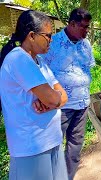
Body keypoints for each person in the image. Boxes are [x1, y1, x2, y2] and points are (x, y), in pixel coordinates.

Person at [0, 10, 68, 179]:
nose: (51, 40)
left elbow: (63, 96)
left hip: (50, 141)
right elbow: (54, 97)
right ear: (31, 36)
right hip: (31, 148)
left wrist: (51, 103)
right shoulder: (18, 59)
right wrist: (53, 100)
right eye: (48, 36)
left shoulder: (39, 61)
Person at [41, 8, 95, 180]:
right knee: (53, 148)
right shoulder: (52, 43)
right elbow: (40, 72)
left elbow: (88, 69)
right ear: (72, 24)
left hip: (82, 105)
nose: (87, 31)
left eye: (88, 27)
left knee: (75, 149)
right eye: (84, 27)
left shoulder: (86, 45)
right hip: (61, 107)